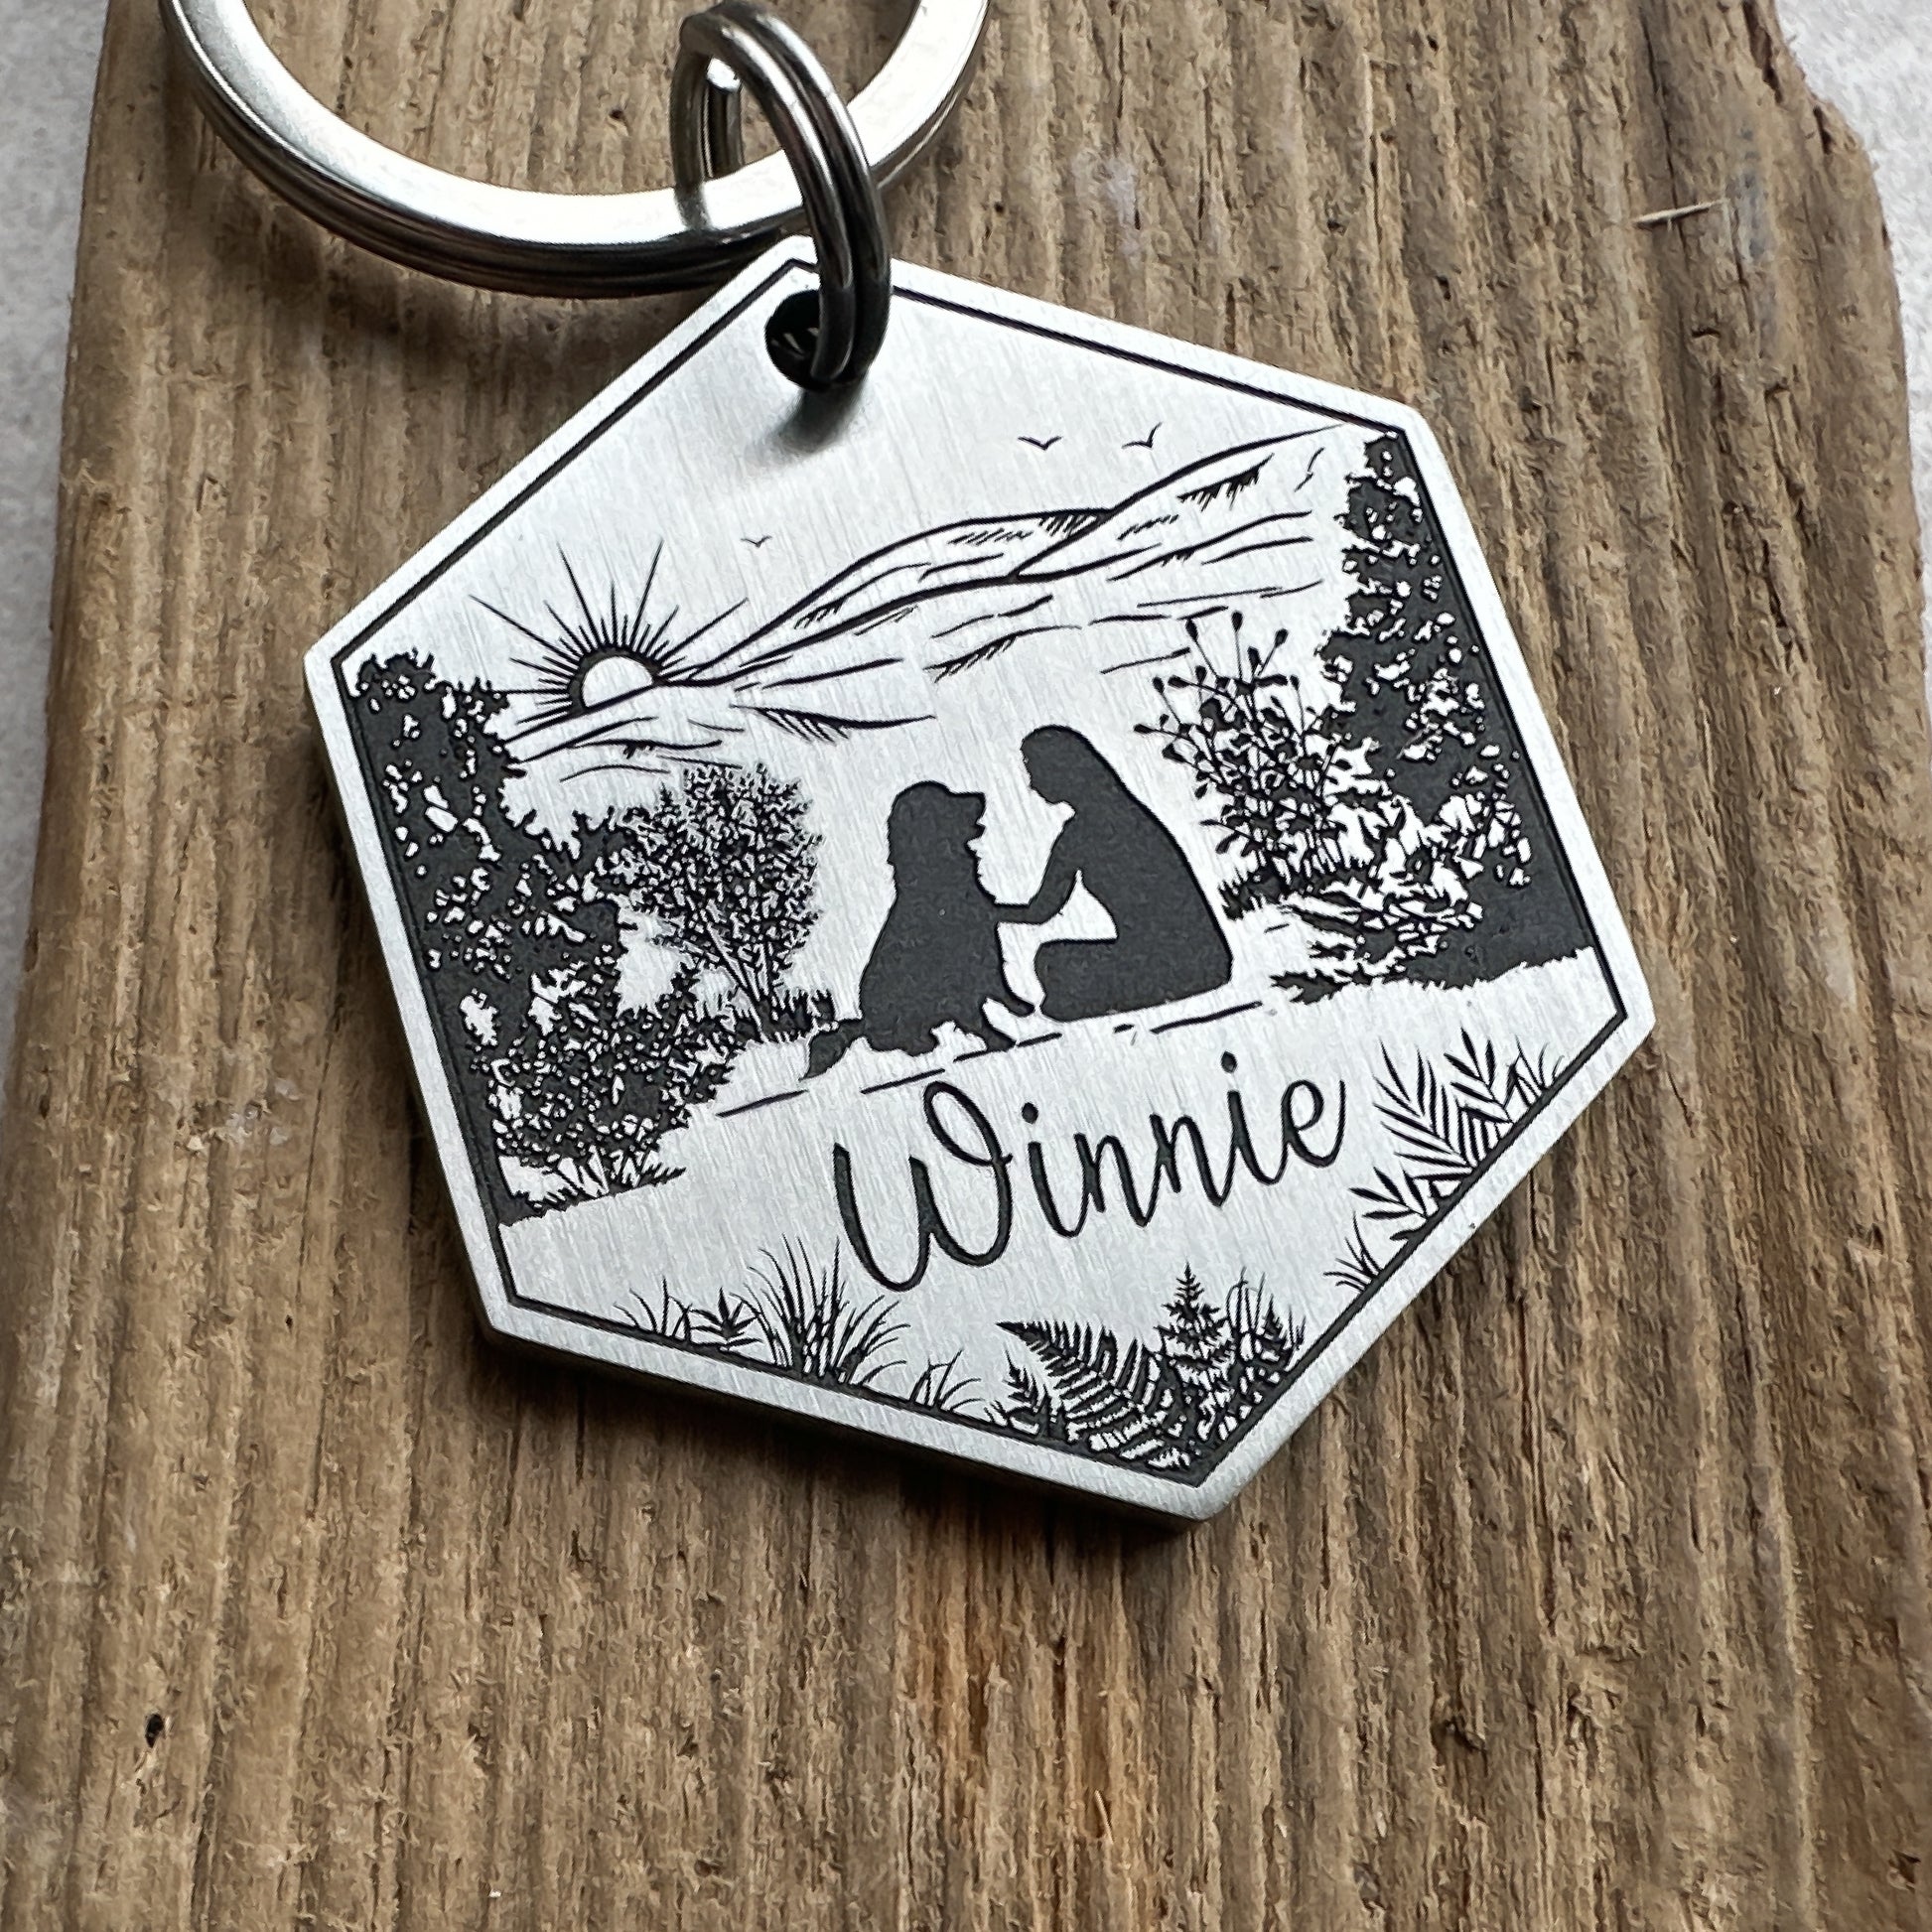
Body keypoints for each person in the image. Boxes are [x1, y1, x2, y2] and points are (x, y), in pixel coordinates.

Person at [1014, 726, 1232, 1022]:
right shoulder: (1127, 814)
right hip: (1205, 960)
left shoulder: (1083, 834)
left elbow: (1040, 910)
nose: (1032, 784)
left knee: (1052, 962)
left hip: (1176, 963)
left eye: (1035, 771)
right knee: (1056, 965)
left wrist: (984, 912)